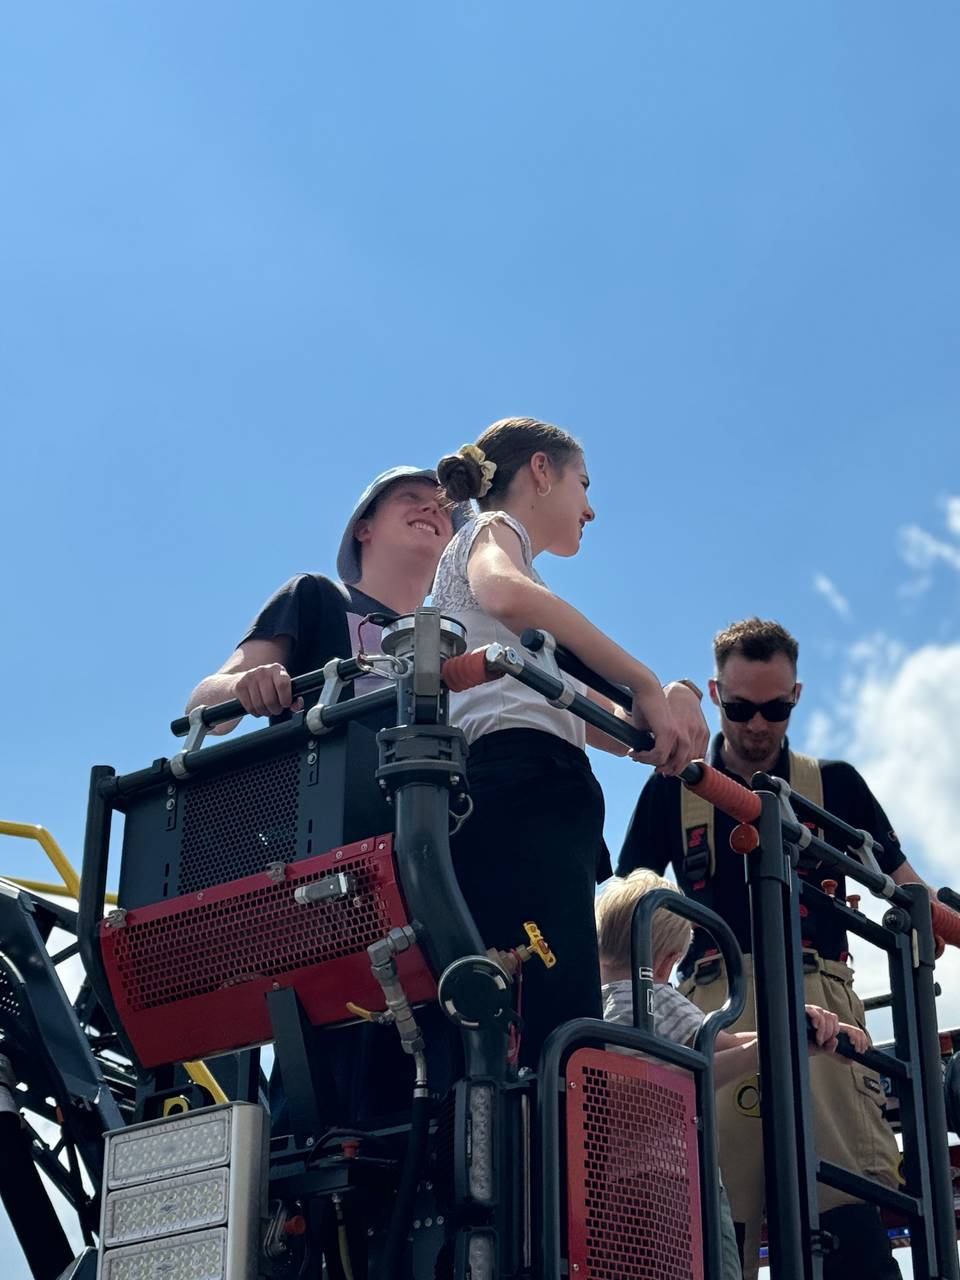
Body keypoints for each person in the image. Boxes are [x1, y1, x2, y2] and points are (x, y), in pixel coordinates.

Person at [616, 617, 941, 1280]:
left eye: (774, 709)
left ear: (796, 696)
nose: (757, 725)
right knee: (715, 1222)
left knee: (847, 1207)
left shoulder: (836, 786)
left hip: (823, 1007)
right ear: (715, 694)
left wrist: (934, 920)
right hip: (712, 1011)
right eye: (740, 709)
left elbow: (909, 892)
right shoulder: (671, 790)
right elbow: (626, 907)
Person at [430, 418, 709, 1071]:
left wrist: (668, 707)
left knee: (562, 1006)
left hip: (544, 796)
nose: (590, 508)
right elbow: (506, 592)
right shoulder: (492, 534)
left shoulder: (530, 605)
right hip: (521, 789)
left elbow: (593, 718)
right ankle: (537, 1129)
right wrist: (644, 680)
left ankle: (541, 1125)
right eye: (583, 483)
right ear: (540, 471)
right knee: (553, 1020)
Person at [596, 869, 870, 1280]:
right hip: (674, 1182)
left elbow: (718, 1041)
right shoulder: (654, 996)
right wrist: (777, 1043)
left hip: (610, 1188)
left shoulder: (598, 1005)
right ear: (669, 962)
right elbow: (705, 1054)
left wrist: (795, 1033)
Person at [186, 465, 468, 727]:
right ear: (363, 529)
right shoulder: (315, 596)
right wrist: (243, 686)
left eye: (445, 507)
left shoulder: (458, 640)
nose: (433, 507)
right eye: (410, 497)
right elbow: (201, 705)